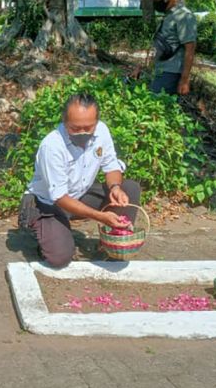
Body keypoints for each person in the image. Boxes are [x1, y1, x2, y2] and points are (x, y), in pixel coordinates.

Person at [20, 93, 141, 268]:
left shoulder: (102, 131)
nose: (83, 132)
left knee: (129, 188)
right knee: (59, 258)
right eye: (75, 128)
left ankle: (112, 244)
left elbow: (111, 165)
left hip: (79, 194)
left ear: (97, 122)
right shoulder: (52, 146)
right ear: (64, 122)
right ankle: (45, 233)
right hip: (47, 203)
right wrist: (100, 217)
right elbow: (60, 197)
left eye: (88, 128)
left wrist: (115, 187)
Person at [148, 0, 197, 95]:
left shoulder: (184, 16)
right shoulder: (168, 15)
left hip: (171, 72)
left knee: (158, 107)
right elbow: (160, 46)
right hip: (161, 69)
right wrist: (143, 67)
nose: (155, 3)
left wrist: (184, 80)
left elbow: (190, 48)